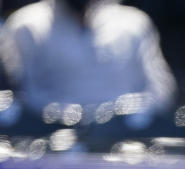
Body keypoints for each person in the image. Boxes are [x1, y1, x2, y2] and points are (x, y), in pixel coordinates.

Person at [0, 0, 176, 123]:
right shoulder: (26, 25)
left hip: (124, 144)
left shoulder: (134, 23)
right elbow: (20, 96)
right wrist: (65, 116)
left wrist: (119, 115)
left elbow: (161, 91)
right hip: (48, 145)